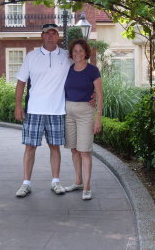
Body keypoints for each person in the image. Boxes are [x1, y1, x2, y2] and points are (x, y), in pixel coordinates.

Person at [14, 23, 72, 198]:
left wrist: (91, 94)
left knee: (55, 147)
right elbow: (21, 83)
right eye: (47, 33)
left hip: (57, 110)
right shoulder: (31, 56)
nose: (50, 36)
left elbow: (81, 73)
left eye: (54, 33)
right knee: (30, 147)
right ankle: (25, 184)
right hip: (34, 110)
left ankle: (56, 182)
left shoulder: (66, 56)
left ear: (58, 36)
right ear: (42, 35)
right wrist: (18, 106)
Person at [63, 39, 103, 200]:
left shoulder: (93, 70)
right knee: (74, 149)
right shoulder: (68, 69)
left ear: (86, 52)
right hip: (68, 111)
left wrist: (98, 118)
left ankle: (87, 187)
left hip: (86, 111)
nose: (77, 53)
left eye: (80, 51)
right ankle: (78, 181)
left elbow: (100, 95)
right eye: (74, 51)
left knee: (84, 151)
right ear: (71, 54)